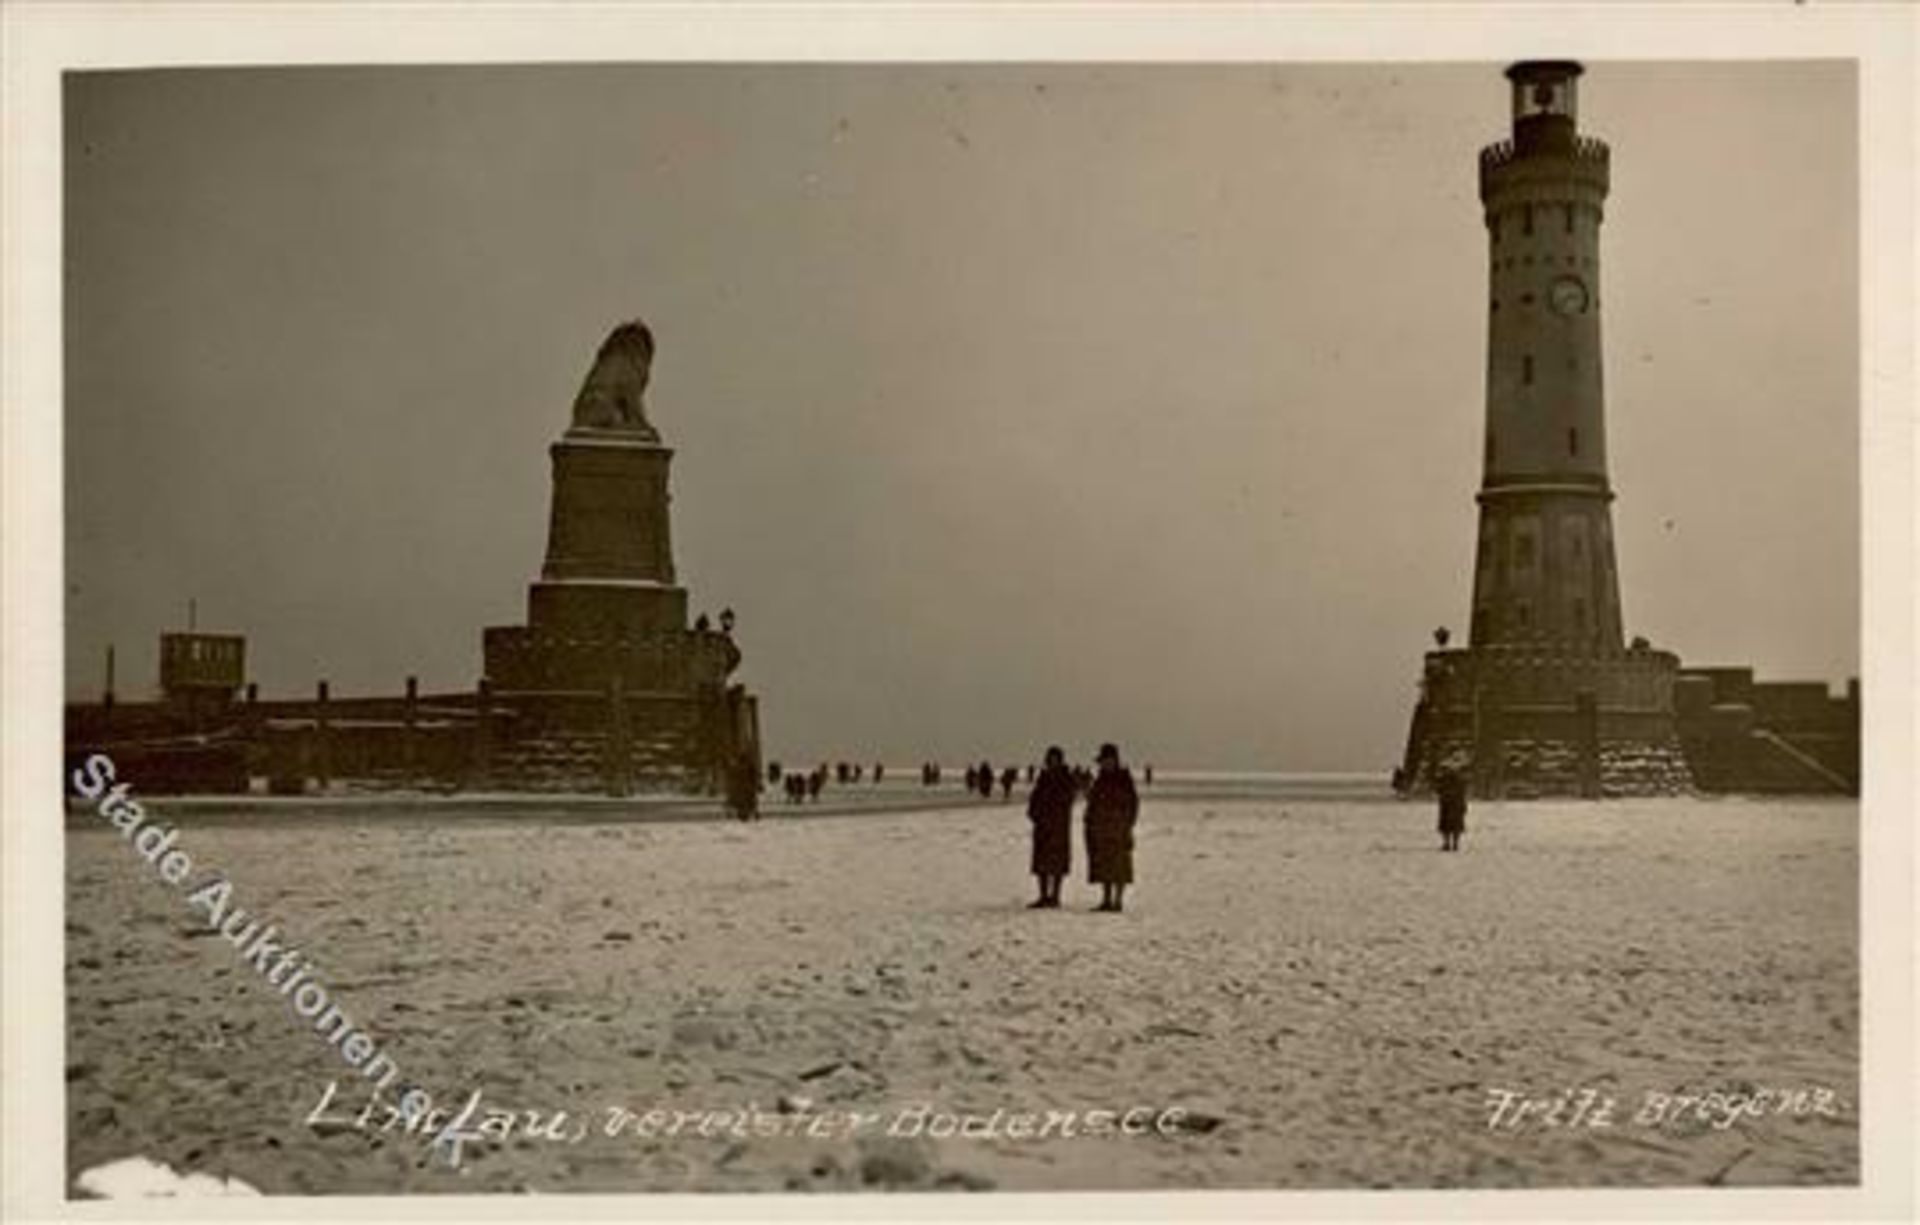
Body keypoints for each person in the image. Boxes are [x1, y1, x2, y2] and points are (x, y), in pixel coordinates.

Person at [1084, 742, 1139, 913]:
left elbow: (1133, 803)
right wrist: (1089, 821)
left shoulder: (1124, 779)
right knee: (1104, 867)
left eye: (1108, 760)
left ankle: (1118, 901)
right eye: (1103, 761)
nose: (1105, 764)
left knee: (1120, 867)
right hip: (1101, 829)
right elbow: (1092, 803)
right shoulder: (1100, 780)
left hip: (1119, 829)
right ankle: (1106, 900)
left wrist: (1127, 823)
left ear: (1114, 760)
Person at [1026, 746, 1075, 909]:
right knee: (1042, 864)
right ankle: (1043, 895)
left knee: (1057, 865)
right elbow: (1035, 798)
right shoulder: (1044, 777)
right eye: (1051, 759)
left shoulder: (1066, 778)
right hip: (1042, 827)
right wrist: (1034, 814)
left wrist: (1055, 813)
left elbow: (1068, 799)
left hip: (1058, 827)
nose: (1053, 762)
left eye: (1056, 759)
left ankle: (1055, 896)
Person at [1436, 767, 1468, 851]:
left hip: (1447, 805)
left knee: (1446, 826)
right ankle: (1455, 844)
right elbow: (1463, 794)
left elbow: (1439, 791)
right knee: (1455, 826)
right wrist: (1464, 806)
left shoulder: (1443, 780)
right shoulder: (1460, 781)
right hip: (1456, 806)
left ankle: (1447, 844)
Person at [726, 755, 760, 822]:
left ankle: (754, 813)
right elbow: (754, 777)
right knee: (749, 801)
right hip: (746, 789)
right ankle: (754, 814)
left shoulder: (737, 768)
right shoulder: (746, 767)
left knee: (748, 801)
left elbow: (734, 778)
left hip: (744, 789)